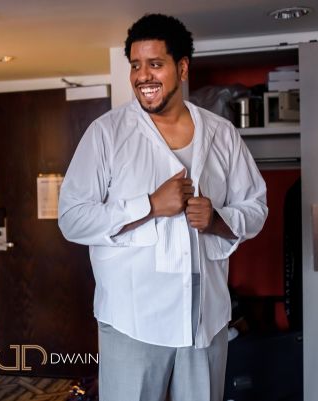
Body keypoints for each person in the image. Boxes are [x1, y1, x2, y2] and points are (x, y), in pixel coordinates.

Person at [58, 14, 268, 401]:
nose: (143, 76)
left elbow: (256, 207)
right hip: (132, 321)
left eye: (155, 64)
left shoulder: (222, 134)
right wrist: (150, 206)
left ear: (182, 68)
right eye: (135, 65)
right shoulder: (106, 134)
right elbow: (72, 219)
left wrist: (218, 220)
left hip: (204, 319)